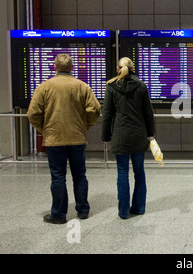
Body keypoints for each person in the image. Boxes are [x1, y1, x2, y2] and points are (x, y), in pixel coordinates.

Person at [27, 53, 101, 224]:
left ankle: (59, 215)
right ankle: (83, 210)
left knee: (58, 176)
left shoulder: (44, 87)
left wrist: (45, 129)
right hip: (77, 137)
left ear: (55, 67)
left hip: (54, 139)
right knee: (80, 175)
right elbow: (94, 110)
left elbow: (33, 114)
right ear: (72, 68)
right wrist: (84, 127)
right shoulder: (82, 86)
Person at [101, 57, 155, 219]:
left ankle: (123, 211)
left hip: (120, 135)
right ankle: (138, 208)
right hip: (139, 134)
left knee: (122, 172)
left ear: (118, 69)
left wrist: (106, 135)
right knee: (139, 172)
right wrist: (150, 134)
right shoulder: (141, 86)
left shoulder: (111, 86)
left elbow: (107, 114)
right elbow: (148, 113)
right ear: (133, 68)